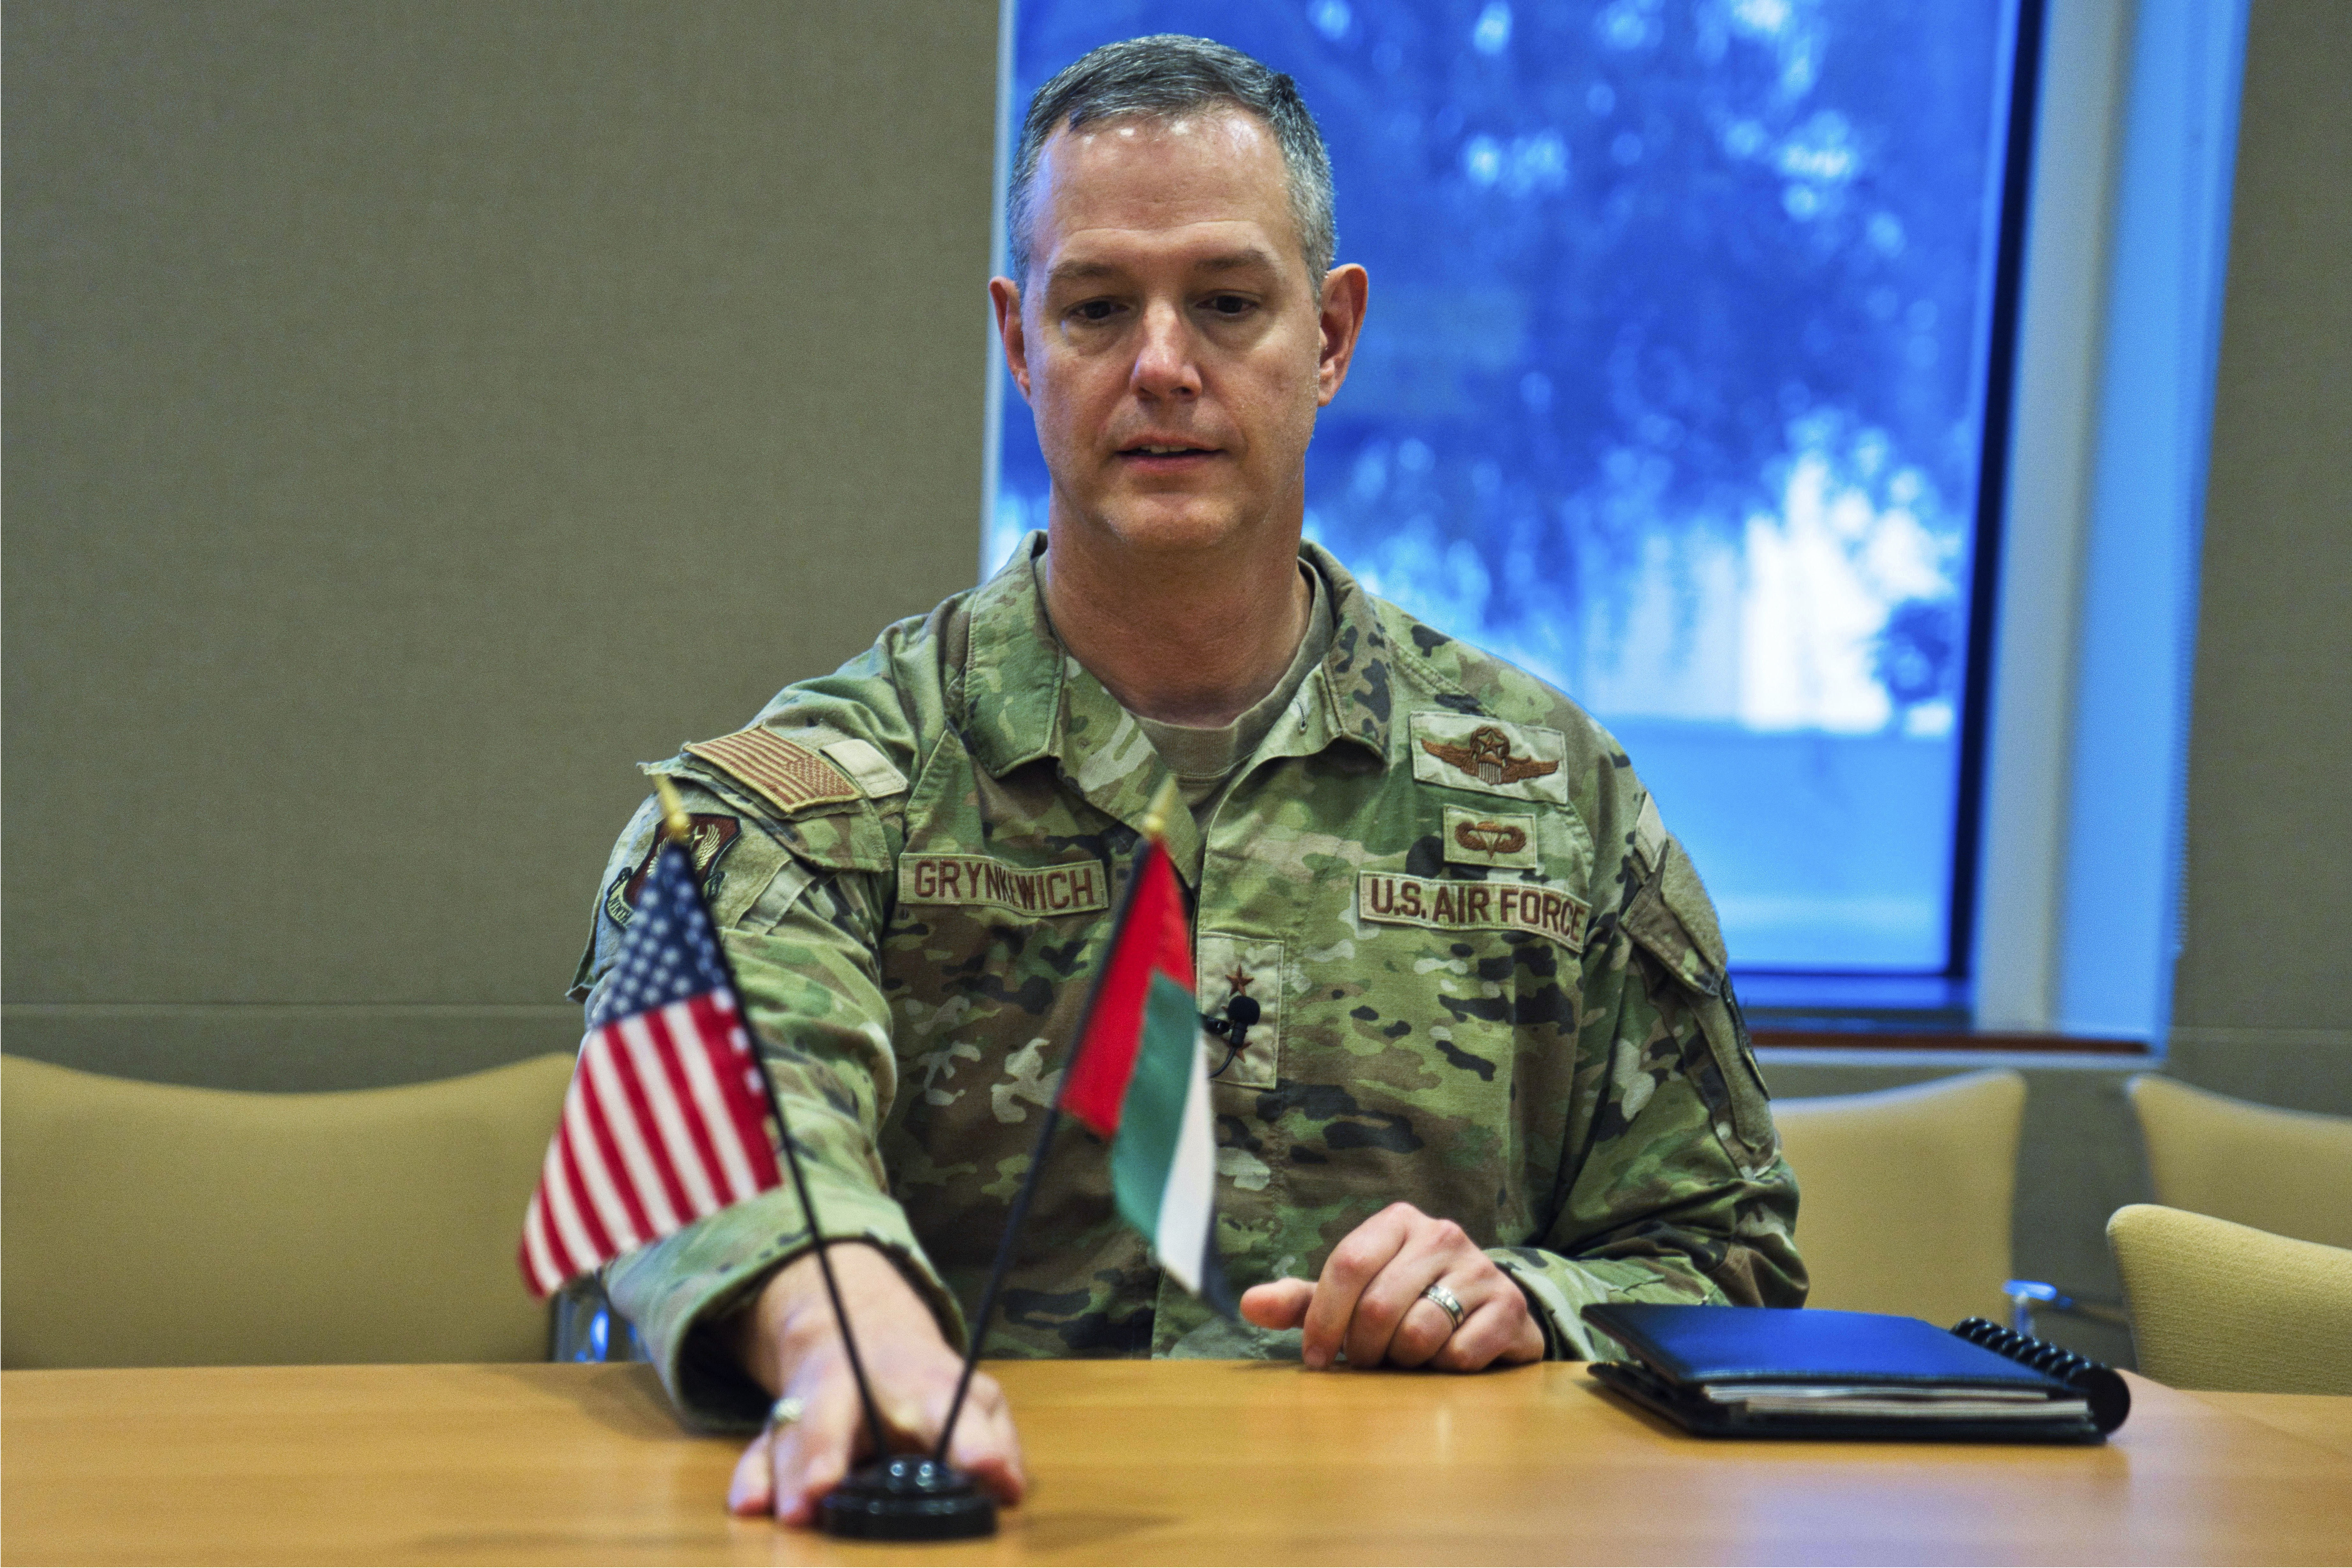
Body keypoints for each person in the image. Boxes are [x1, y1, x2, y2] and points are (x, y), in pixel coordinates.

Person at [572, 34, 1804, 1528]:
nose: (1162, 365)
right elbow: (713, 1112)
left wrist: (1527, 1296)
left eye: (1226, 302)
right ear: (1021, 344)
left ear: (1332, 336)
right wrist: (846, 1330)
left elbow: (1724, 1259)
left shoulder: (1551, 798)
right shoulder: (830, 789)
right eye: (1098, 308)